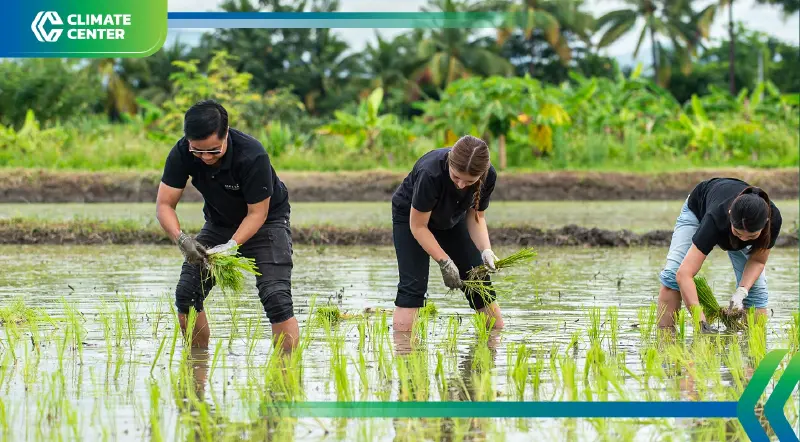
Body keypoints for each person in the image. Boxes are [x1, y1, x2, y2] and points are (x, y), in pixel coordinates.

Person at [155, 100, 298, 351]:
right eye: (198, 151)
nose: (206, 158)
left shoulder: (252, 154)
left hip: (267, 223)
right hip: (219, 223)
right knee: (187, 293)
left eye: (214, 150)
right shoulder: (181, 152)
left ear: (226, 133)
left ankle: (287, 370)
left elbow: (257, 213)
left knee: (276, 297)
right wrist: (181, 239)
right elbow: (165, 205)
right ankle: (196, 363)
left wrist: (231, 246)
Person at [390, 135, 504, 332]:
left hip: (452, 216)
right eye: (456, 177)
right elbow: (419, 227)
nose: (461, 185)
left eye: (469, 181)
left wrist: (486, 250)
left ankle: (494, 343)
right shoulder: (430, 172)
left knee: (478, 281)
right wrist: (445, 262)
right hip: (412, 218)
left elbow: (476, 216)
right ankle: (404, 349)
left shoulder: (489, 176)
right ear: (450, 162)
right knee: (413, 287)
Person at [657, 177, 782, 332]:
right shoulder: (715, 219)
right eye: (738, 233)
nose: (743, 239)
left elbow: (757, 262)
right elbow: (684, 274)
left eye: (751, 236)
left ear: (766, 222)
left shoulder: (773, 220)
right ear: (729, 215)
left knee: (756, 292)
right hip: (699, 209)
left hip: (731, 220)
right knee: (672, 276)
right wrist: (701, 323)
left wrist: (742, 291)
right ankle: (666, 338)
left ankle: (754, 343)